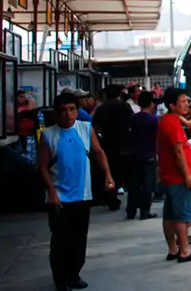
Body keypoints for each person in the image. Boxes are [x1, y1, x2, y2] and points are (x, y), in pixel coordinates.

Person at [37, 90, 115, 291]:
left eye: (72, 109)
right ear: (56, 113)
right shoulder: (48, 135)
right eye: (63, 110)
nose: (68, 114)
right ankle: (60, 280)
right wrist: (52, 192)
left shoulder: (84, 128)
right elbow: (43, 166)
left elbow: (98, 152)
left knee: (79, 239)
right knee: (60, 240)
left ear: (77, 110)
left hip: (82, 194)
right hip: (60, 197)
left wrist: (108, 175)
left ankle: (73, 275)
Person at [157, 87, 191, 263]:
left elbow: (190, 124)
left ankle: (173, 248)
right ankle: (185, 250)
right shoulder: (171, 122)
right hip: (178, 177)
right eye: (182, 102)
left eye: (187, 101)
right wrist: (188, 176)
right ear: (171, 105)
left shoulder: (171, 119)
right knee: (184, 216)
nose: (187, 105)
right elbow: (178, 152)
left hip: (171, 176)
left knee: (170, 215)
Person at [126, 90, 159, 220]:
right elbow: (157, 138)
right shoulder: (153, 120)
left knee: (133, 183)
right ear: (151, 104)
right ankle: (145, 211)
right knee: (147, 184)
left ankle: (131, 210)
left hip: (134, 153)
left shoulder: (133, 118)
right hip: (148, 153)